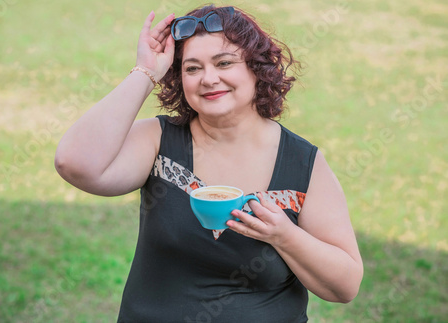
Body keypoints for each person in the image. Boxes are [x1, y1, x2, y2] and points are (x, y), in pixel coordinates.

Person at [54, 4, 363, 322]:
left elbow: (345, 286)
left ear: (255, 68)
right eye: (192, 68)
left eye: (224, 63)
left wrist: (284, 235)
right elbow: (74, 163)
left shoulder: (302, 161)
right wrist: (145, 72)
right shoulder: (159, 140)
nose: (208, 79)